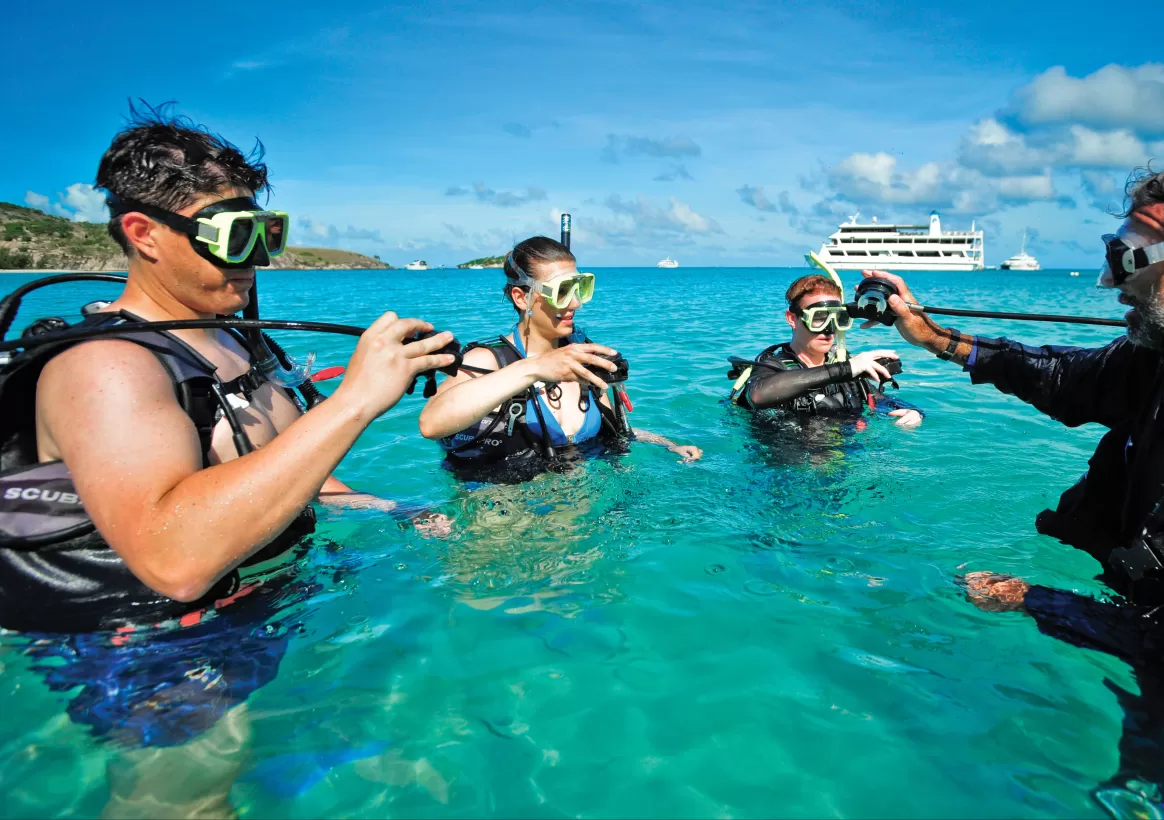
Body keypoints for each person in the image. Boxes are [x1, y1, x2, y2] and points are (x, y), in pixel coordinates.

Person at [0, 107, 457, 815]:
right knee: (192, 801)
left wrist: (389, 510)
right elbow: (172, 559)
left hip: (266, 604)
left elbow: (293, 473)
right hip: (153, 647)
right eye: (234, 237)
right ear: (143, 234)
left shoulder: (238, 339)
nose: (258, 260)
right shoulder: (106, 369)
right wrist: (354, 403)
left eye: (265, 234)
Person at [868, 139, 1164, 815]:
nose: (1112, 281)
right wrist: (930, 338)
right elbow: (1062, 378)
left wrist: (1040, 603)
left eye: (1130, 259)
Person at [419, 236, 701, 478]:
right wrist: (533, 369)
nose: (575, 303)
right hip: (505, 524)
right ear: (521, 298)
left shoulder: (582, 358)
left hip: (582, 521)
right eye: (562, 292)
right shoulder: (489, 361)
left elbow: (615, 432)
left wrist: (666, 444)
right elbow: (431, 424)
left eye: (579, 288)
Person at [729, 272, 923, 427]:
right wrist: (846, 369)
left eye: (837, 318)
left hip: (845, 462)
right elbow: (758, 395)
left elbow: (883, 400)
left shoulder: (844, 367)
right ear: (792, 318)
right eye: (819, 318)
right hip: (787, 468)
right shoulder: (771, 367)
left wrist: (913, 412)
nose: (829, 329)